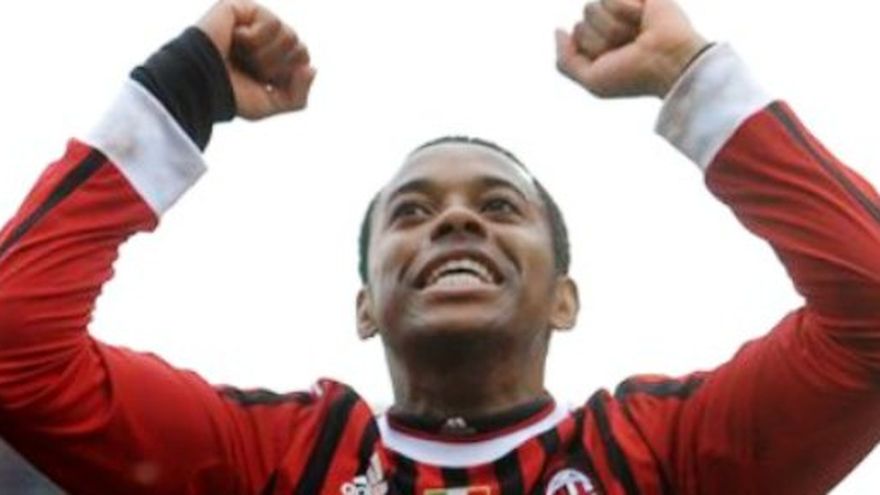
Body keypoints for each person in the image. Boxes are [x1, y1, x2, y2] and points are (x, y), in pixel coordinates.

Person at [0, 0, 878, 493]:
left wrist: (696, 83)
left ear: (564, 298)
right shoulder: (272, 459)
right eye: (412, 212)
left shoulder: (661, 456)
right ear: (365, 306)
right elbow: (14, 348)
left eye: (499, 205)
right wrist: (179, 94)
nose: (457, 223)